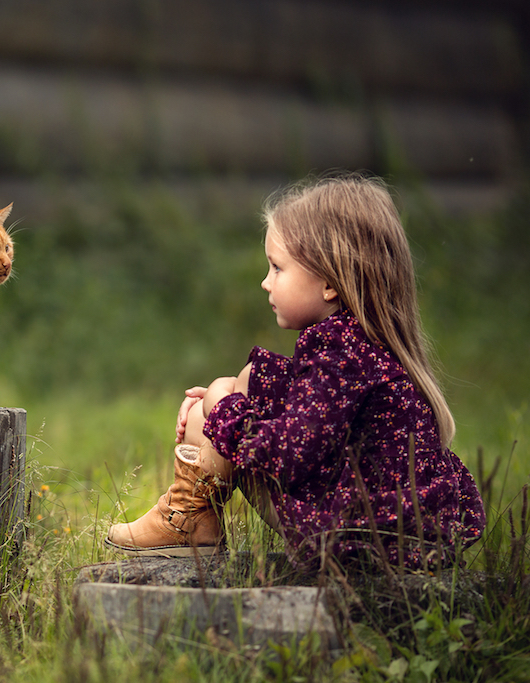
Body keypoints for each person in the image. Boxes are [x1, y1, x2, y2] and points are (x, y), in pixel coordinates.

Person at [106, 174, 485, 569]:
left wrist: (223, 412)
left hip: (358, 544)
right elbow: (305, 420)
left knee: (226, 396)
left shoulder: (339, 355)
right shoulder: (363, 346)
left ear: (329, 283)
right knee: (247, 379)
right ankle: (191, 520)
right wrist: (227, 402)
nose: (265, 282)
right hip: (393, 537)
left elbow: (290, 455)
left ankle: (186, 521)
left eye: (277, 268)